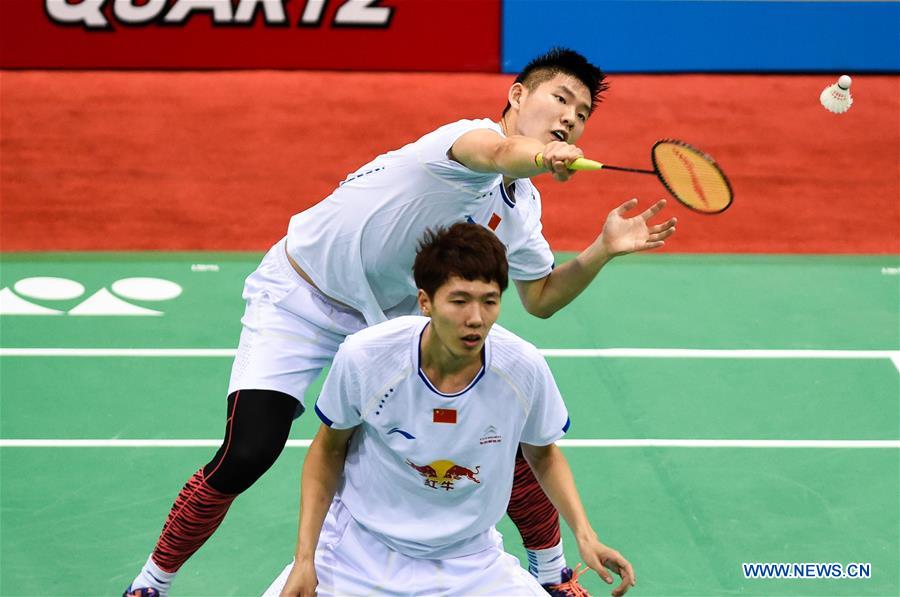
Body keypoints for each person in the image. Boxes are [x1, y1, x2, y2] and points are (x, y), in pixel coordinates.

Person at [125, 47, 674, 597]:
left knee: (487, 432)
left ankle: (551, 572)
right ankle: (152, 581)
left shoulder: (522, 210)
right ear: (517, 95)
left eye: (581, 114)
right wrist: (540, 156)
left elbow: (543, 297)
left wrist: (601, 251)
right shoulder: (463, 141)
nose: (569, 118)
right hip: (299, 295)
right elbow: (505, 150)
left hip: (386, 321)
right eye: (560, 99)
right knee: (248, 451)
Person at [265, 222, 636, 597]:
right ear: (425, 301)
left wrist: (586, 536)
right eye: (459, 301)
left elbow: (543, 455)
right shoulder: (367, 356)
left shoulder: (522, 367)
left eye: (489, 301)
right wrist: (305, 559)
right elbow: (328, 448)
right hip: (357, 553)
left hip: (470, 563)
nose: (475, 318)